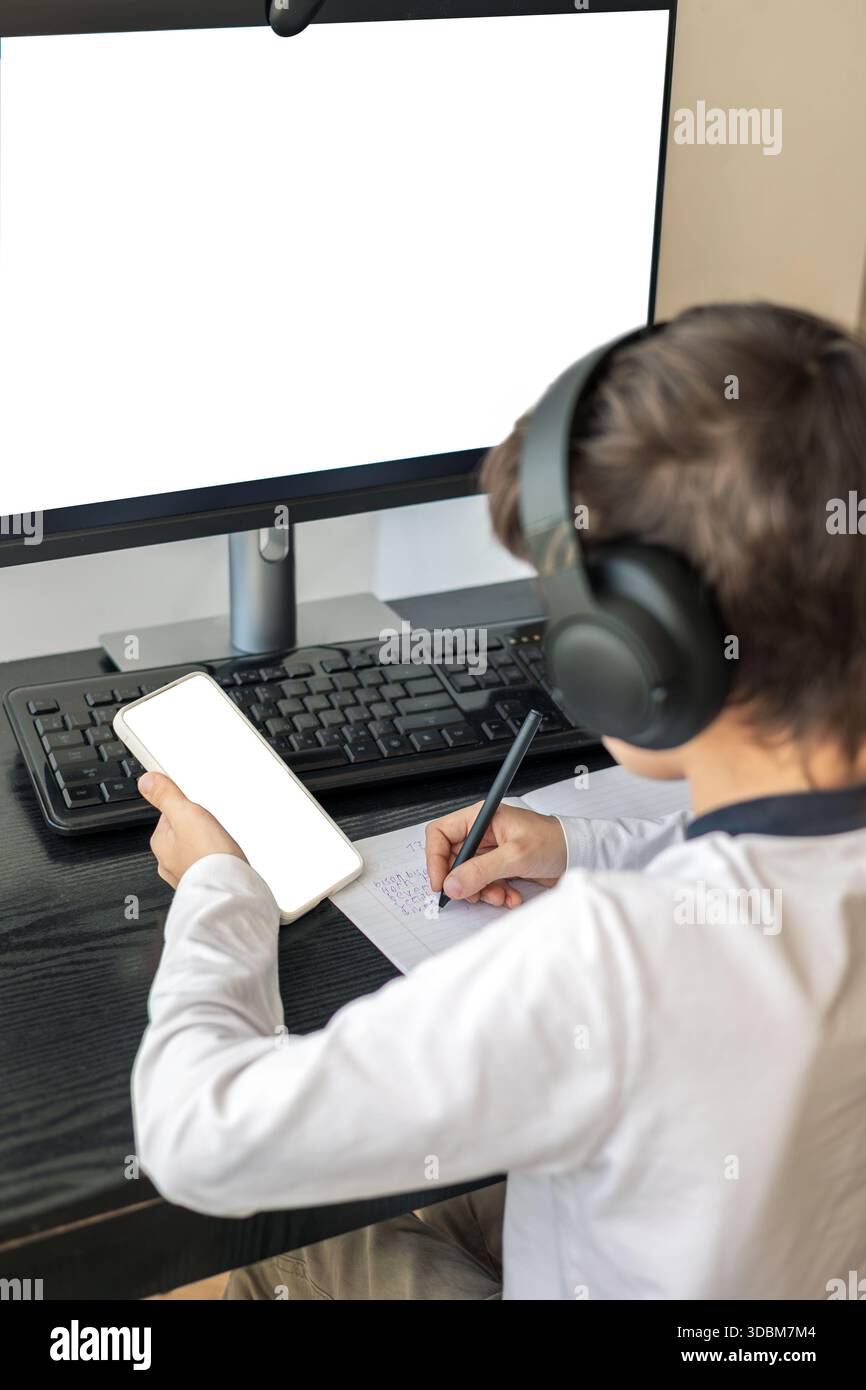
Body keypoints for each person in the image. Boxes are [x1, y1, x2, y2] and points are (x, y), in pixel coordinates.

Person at [133, 303, 866, 1300]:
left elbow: (195, 1136)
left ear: (635, 650)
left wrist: (221, 890)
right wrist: (575, 845)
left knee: (275, 1261)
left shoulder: (616, 962)